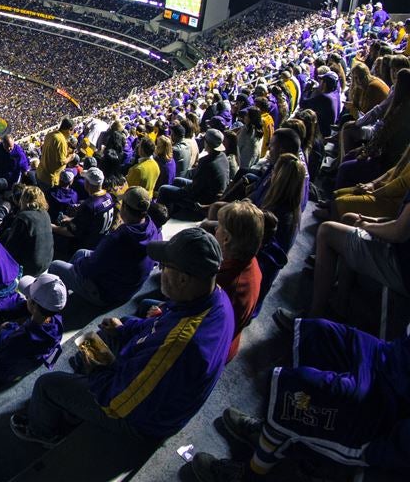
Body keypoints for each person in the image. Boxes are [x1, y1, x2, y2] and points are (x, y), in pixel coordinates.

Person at [11, 228, 233, 446]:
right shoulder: (215, 298)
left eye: (164, 267)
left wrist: (97, 371)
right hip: (150, 378)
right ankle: (76, 399)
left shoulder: (181, 344)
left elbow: (120, 402)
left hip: (140, 420)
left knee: (46, 385)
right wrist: (123, 329)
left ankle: (43, 431)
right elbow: (162, 322)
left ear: (184, 279)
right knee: (115, 330)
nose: (161, 270)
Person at [191, 317, 410, 482]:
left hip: (387, 412)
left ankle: (251, 474)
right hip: (389, 359)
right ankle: (280, 437)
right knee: (318, 333)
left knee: (302, 391)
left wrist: (375, 451)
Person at [276, 190, 410, 328]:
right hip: (399, 249)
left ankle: (312, 319)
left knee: (326, 231)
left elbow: (399, 232)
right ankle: (340, 302)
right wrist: (374, 220)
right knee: (349, 219)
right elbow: (402, 221)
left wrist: (366, 226)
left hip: (401, 263)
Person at [48, 186, 160, 308]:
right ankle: (67, 286)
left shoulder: (119, 238)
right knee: (81, 252)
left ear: (125, 208)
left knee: (56, 266)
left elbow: (89, 268)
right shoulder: (151, 226)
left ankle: (50, 303)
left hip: (109, 295)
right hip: (128, 285)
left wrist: (77, 267)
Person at [0, 273, 66, 389]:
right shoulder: (57, 324)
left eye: (28, 296)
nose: (26, 297)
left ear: (33, 305)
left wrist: (4, 328)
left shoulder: (18, 338)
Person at [210, 201, 263, 362]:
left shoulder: (222, 284)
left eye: (219, 226)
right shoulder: (251, 262)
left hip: (212, 351)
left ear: (226, 239)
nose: (215, 229)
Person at [157, 128, 231, 221]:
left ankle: (159, 219)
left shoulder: (207, 162)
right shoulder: (222, 156)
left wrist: (181, 190)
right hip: (208, 191)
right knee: (177, 180)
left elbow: (194, 190)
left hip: (204, 199)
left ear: (206, 142)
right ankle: (172, 211)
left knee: (164, 189)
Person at [53, 167, 116, 253]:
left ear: (88, 184)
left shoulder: (89, 205)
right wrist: (71, 219)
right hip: (100, 240)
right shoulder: (108, 196)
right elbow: (92, 220)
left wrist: (52, 227)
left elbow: (71, 232)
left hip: (86, 245)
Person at [0, 185, 54, 277]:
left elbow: (11, 246)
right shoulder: (46, 214)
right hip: (46, 262)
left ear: (23, 199)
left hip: (30, 268)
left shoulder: (24, 217)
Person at [39, 118, 76, 190]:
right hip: (50, 179)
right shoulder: (61, 140)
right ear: (70, 129)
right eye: (73, 131)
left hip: (41, 173)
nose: (72, 133)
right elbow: (61, 162)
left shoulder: (50, 134)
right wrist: (71, 157)